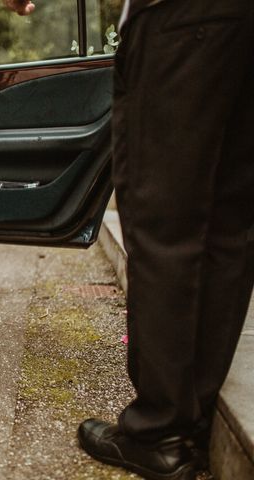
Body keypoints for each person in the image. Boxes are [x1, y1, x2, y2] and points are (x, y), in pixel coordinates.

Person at [76, 0, 254, 479]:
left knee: (164, 221)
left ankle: (158, 433)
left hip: (181, 18)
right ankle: (191, 420)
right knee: (229, 224)